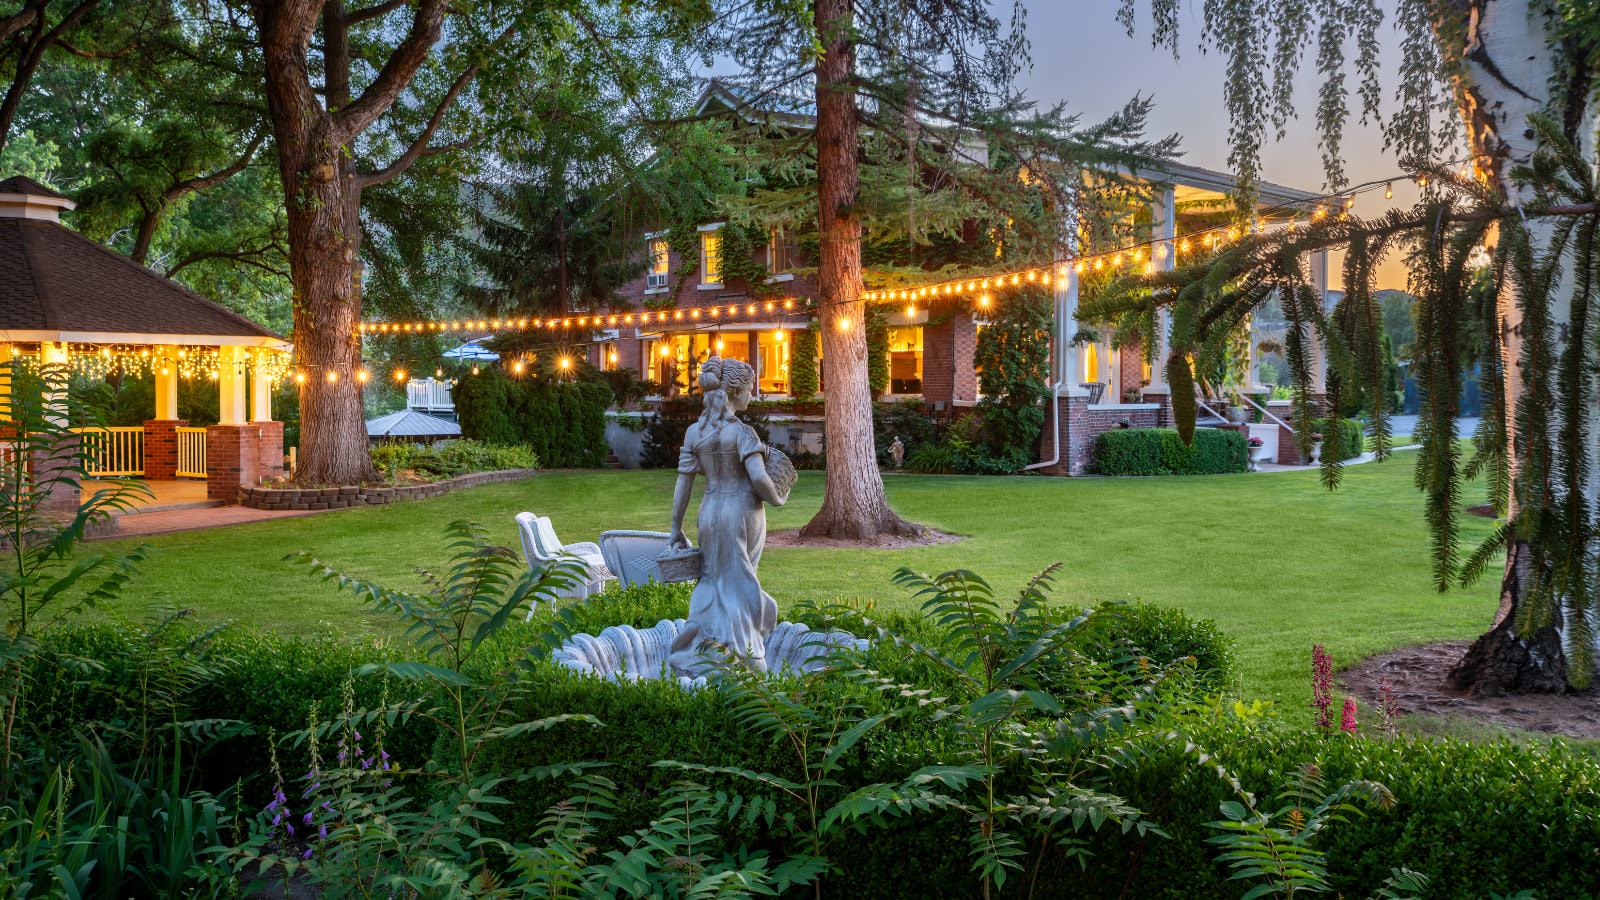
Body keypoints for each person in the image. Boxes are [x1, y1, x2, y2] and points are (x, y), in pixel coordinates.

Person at [667, 356, 789, 673]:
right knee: (738, 582)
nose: (753, 394)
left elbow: (683, 484)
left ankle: (704, 646)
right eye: (750, 388)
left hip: (709, 513)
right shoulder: (742, 433)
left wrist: (675, 528)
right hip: (742, 512)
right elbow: (760, 479)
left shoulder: (694, 432)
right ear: (735, 391)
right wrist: (779, 498)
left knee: (715, 579)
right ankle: (747, 656)